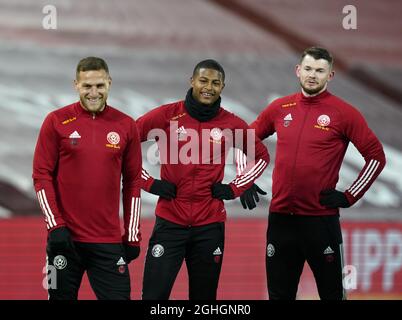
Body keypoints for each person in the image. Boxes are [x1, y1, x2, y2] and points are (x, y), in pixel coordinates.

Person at [240, 47, 386, 299]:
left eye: (320, 71)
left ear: (330, 75)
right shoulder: (279, 107)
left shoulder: (344, 113)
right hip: (281, 220)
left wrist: (350, 196)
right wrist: (245, 179)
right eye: (308, 69)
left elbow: (376, 157)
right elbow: (243, 140)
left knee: (332, 296)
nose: (312, 75)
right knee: (279, 296)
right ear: (298, 71)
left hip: (320, 222)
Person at [137, 59, 269, 300]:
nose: (209, 87)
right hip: (169, 223)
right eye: (203, 80)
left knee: (204, 299)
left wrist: (236, 187)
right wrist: (149, 183)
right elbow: (125, 144)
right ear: (192, 81)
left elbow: (261, 156)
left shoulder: (231, 123)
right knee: (154, 298)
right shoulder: (167, 116)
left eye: (215, 83)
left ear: (222, 87)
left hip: (210, 226)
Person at [32, 57, 142, 300]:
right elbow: (41, 176)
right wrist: (56, 227)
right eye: (87, 86)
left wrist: (132, 234)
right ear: (76, 85)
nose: (94, 93)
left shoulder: (126, 125)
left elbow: (133, 182)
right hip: (64, 241)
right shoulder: (56, 121)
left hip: (108, 241)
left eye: (100, 86)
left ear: (109, 84)